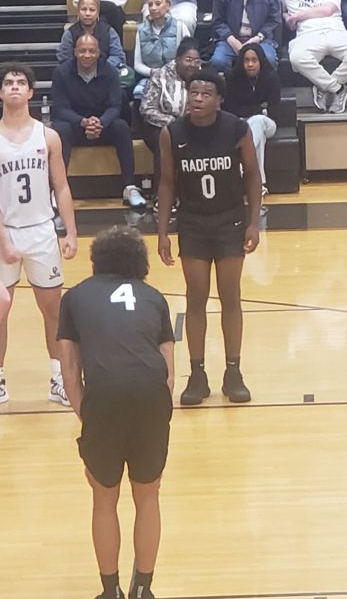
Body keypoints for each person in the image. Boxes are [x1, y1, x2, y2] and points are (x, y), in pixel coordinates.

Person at [57, 226, 174, 599]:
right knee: (149, 495)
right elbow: (169, 370)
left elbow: (69, 367)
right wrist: (158, 409)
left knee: (104, 497)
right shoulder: (155, 298)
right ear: (140, 263)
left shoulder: (75, 297)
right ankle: (143, 589)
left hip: (104, 396)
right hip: (151, 394)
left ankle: (111, 592)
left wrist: (86, 413)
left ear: (97, 261)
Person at [157, 66, 261, 406]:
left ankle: (234, 372)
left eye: (206, 94)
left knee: (230, 296)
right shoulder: (172, 133)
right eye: (193, 93)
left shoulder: (236, 128)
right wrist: (162, 231)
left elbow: (252, 176)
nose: (198, 99)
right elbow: (167, 183)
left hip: (230, 219)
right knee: (196, 297)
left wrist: (253, 222)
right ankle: (197, 374)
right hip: (193, 223)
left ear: (219, 100)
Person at [0, 62, 77, 406]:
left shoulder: (48, 137)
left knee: (53, 310)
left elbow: (61, 186)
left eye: (21, 82)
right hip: (5, 231)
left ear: (31, 92)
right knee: (0, 311)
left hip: (42, 230)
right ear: (1, 92)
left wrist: (70, 231)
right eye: (9, 82)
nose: (15, 86)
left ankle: (59, 379)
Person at [51, 34, 146, 211]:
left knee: (122, 127)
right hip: (75, 126)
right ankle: (56, 190)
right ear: (75, 52)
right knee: (60, 130)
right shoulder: (61, 72)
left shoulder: (110, 72)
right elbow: (60, 108)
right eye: (82, 51)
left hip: (102, 125)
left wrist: (100, 122)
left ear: (98, 53)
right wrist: (83, 122)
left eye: (91, 51)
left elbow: (115, 106)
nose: (87, 55)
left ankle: (129, 186)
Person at [140, 38, 201, 196]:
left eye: (196, 61)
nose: (192, 65)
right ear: (178, 59)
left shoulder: (202, 79)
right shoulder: (160, 76)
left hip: (192, 125)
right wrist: (174, 123)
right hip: (159, 126)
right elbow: (147, 108)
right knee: (164, 144)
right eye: (188, 59)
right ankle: (161, 197)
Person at [225, 42, 281, 203]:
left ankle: (240, 164)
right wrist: (260, 108)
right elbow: (230, 108)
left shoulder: (271, 77)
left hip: (268, 123)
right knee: (257, 135)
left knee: (257, 121)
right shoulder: (232, 78)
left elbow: (275, 110)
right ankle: (259, 184)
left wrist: (250, 112)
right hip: (241, 124)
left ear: (260, 61)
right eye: (246, 60)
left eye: (254, 60)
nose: (250, 64)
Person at [132, 0, 185, 93]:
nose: (153, 8)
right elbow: (137, 64)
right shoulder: (141, 30)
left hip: (176, 77)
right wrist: (153, 72)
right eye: (150, 5)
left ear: (168, 5)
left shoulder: (180, 27)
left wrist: (168, 73)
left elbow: (185, 58)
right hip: (151, 76)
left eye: (158, 4)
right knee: (139, 91)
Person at [58, 0, 126, 69]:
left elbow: (117, 56)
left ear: (97, 13)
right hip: (76, 73)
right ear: (78, 12)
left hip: (105, 72)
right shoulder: (69, 34)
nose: (87, 13)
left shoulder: (109, 32)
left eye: (92, 10)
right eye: (84, 9)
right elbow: (65, 59)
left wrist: (101, 68)